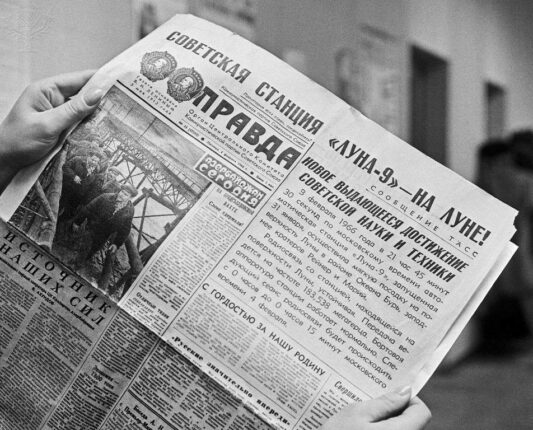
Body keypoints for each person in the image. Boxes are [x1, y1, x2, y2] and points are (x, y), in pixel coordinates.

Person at [0, 72, 431, 430]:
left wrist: (5, 157)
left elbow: (112, 227)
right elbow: (99, 217)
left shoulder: (119, 205)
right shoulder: (110, 197)